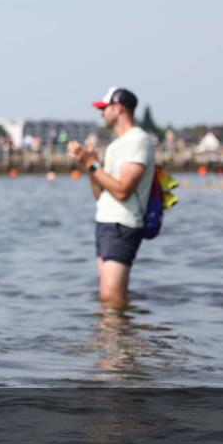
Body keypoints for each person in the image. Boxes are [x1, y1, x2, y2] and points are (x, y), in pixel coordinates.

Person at [67, 87, 155, 309]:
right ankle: (116, 340)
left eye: (105, 108)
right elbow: (100, 195)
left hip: (122, 223)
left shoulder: (138, 140)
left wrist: (90, 163)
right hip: (107, 221)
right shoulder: (116, 144)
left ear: (119, 108)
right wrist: (90, 166)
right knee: (108, 296)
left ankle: (119, 341)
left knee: (112, 296)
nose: (101, 114)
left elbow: (123, 190)